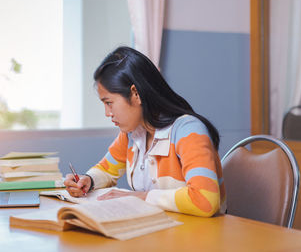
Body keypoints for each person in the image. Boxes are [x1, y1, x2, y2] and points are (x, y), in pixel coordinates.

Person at [64, 46, 225, 217]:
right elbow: (106, 169)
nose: (107, 113)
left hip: (201, 237)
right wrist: (87, 180)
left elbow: (205, 199)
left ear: (135, 93)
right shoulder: (133, 134)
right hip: (162, 231)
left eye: (109, 103)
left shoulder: (187, 131)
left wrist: (138, 197)